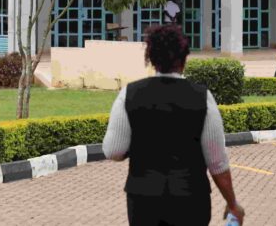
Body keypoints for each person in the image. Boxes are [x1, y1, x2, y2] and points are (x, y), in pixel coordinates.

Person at [103, 23, 245, 226]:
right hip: (190, 200)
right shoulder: (202, 97)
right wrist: (232, 203)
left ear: (151, 58)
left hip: (144, 201)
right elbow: (217, 163)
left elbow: (113, 150)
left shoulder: (130, 94)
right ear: (184, 59)